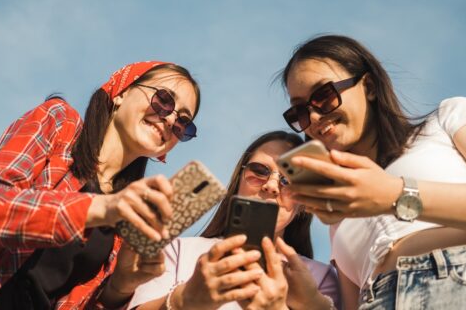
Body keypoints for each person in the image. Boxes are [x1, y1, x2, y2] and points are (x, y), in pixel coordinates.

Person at [279, 35, 466, 309]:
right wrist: (312, 303)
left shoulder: (447, 121)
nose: (313, 118)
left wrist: (395, 195)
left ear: (370, 86)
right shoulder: (340, 215)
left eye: (324, 95)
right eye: (300, 112)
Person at [0, 60, 200, 309]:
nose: (170, 119)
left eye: (183, 122)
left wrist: (119, 287)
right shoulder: (61, 124)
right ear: (122, 93)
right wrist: (98, 208)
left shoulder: (125, 225)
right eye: (164, 100)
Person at [128, 131, 341, 310]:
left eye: (289, 180)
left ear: (303, 202)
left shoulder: (321, 279)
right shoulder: (179, 251)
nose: (271, 186)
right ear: (239, 179)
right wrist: (184, 299)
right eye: (259, 171)